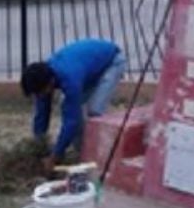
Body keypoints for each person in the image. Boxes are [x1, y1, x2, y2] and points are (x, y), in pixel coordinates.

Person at [20, 39, 126, 171]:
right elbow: (42, 114)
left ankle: (97, 157)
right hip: (89, 69)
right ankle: (82, 151)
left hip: (111, 63)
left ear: (50, 83)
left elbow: (71, 121)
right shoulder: (44, 77)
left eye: (39, 93)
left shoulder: (69, 78)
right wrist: (38, 145)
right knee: (66, 105)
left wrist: (56, 155)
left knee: (95, 110)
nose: (38, 96)